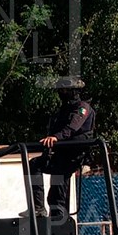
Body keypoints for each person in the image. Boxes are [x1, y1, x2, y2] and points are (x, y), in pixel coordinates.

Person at [26, 76, 95, 219]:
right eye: (60, 90)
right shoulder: (63, 110)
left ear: (74, 91)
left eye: (64, 90)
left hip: (72, 156)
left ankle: (59, 225)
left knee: (57, 196)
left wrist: (57, 137)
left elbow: (73, 127)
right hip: (60, 156)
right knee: (35, 165)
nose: (61, 93)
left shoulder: (82, 108)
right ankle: (38, 208)